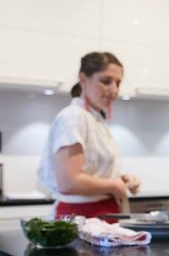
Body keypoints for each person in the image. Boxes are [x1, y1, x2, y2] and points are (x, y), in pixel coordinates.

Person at [37, 51, 140, 218]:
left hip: (103, 214)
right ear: (83, 79)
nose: (114, 90)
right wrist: (114, 185)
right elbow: (69, 182)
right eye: (106, 81)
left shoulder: (95, 118)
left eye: (118, 83)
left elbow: (91, 173)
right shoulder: (72, 116)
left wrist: (121, 180)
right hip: (80, 216)